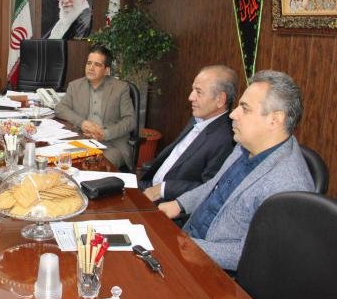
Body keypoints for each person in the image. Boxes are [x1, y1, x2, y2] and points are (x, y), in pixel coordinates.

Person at [158, 70, 314, 271]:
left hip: (214, 270)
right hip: (187, 239)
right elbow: (213, 186)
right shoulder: (245, 146)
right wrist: (179, 204)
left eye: (245, 109)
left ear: (275, 120)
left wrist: (185, 246)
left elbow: (254, 254)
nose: (233, 114)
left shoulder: (286, 186)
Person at [140, 65, 237, 202]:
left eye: (199, 92)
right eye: (193, 90)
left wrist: (163, 189)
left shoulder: (225, 140)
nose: (191, 97)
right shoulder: (197, 118)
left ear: (220, 100)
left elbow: (210, 188)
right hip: (147, 186)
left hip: (167, 201)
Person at [55, 46, 135, 168]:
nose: (91, 68)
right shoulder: (75, 86)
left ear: (106, 70)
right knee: (60, 162)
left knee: (94, 167)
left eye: (97, 64)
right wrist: (82, 123)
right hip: (80, 140)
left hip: (111, 144)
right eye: (89, 63)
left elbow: (130, 120)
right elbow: (60, 108)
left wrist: (104, 134)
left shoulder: (120, 88)